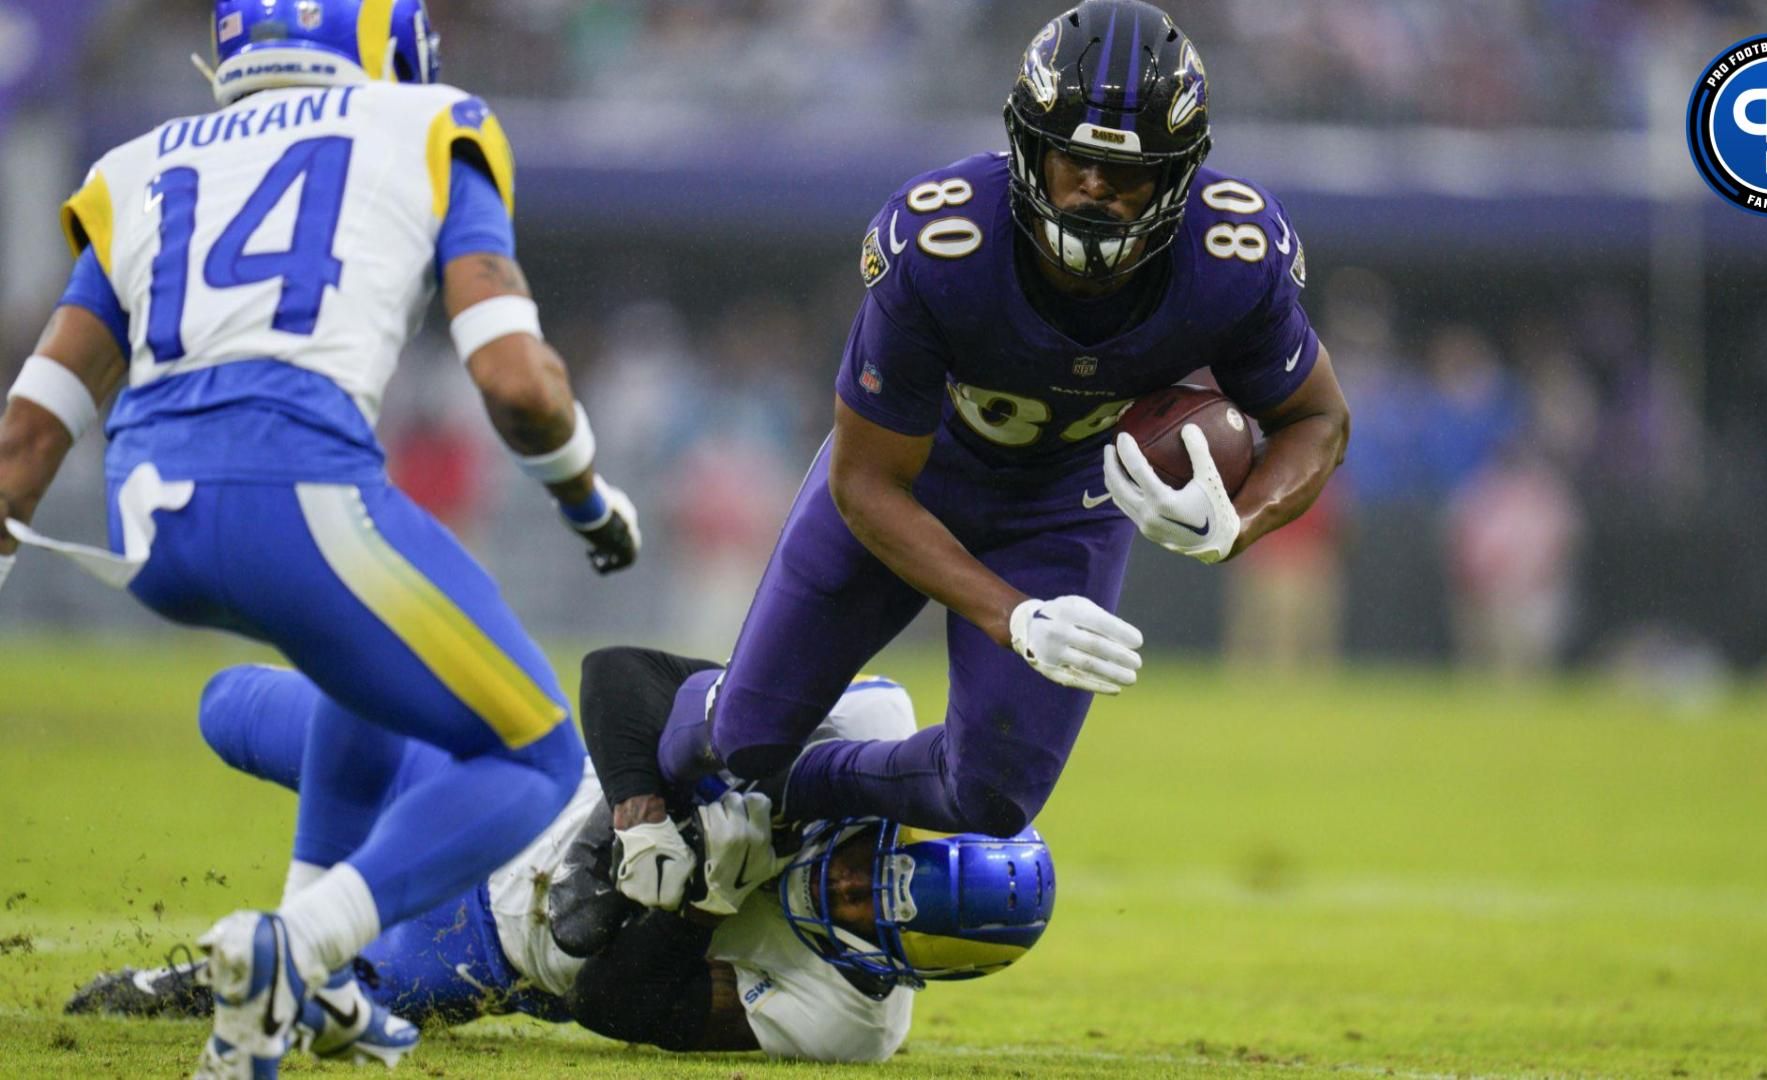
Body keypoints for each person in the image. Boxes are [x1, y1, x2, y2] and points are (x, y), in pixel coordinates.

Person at [0, 3, 639, 1075]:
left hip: (146, 521)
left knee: (364, 676)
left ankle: (319, 991)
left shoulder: (135, 167)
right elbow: (516, 381)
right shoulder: (430, 121)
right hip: (295, 497)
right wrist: (588, 497)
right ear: (379, 48)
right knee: (535, 757)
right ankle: (298, 949)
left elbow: (26, 433)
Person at [619, 0, 1350, 895]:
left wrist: (1234, 523)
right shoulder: (944, 244)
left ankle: (778, 794)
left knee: (995, 796)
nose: (1096, 189)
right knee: (745, 734)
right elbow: (866, 484)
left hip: (1066, 504)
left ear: (1179, 176)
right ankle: (655, 717)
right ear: (1027, 143)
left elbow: (1317, 420)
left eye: (1129, 173)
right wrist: (1014, 616)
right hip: (913, 489)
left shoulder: (1231, 253)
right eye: (1076, 157)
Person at [69, 660, 1055, 1063]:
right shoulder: (862, 728)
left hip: (496, 942)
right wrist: (639, 815)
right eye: (865, 864)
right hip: (507, 786)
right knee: (227, 705)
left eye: (862, 910)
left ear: (908, 961)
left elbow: (620, 1007)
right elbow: (620, 677)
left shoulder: (851, 1022)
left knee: (336, 1003)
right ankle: (324, 878)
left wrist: (702, 907)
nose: (838, 884)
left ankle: (206, 980)